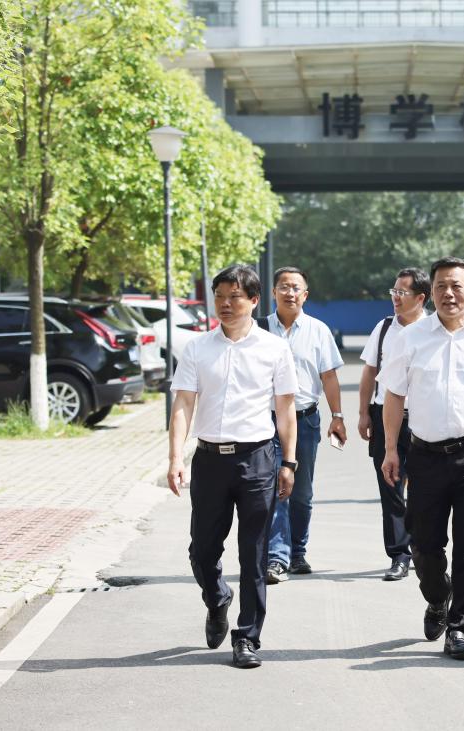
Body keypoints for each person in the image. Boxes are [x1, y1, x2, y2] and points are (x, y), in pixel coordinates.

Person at [378, 256, 464, 662]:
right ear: (431, 293)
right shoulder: (410, 338)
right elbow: (394, 397)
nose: (449, 293)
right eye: (441, 286)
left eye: (456, 286)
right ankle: (438, 597)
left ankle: (460, 629)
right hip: (425, 455)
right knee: (424, 546)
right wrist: (391, 448)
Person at [167, 264, 299, 669]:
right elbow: (183, 403)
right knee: (202, 550)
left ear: (254, 301)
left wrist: (288, 462)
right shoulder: (197, 348)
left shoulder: (274, 349)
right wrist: (175, 457)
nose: (225, 304)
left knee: (253, 554)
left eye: (235, 297)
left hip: (257, 460)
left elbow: (285, 409)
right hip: (209, 460)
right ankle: (217, 598)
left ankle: (247, 638)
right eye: (220, 297)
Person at [260, 266, 345, 581]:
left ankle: (297, 553)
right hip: (267, 421)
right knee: (274, 487)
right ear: (274, 292)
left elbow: (329, 377)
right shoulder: (259, 329)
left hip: (305, 420)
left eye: (296, 287)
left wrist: (338, 416)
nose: (290, 292)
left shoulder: (318, 330)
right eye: (284, 286)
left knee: (301, 491)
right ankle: (277, 557)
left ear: (305, 295)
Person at [357, 267, 430, 581]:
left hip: (423, 419)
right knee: (390, 487)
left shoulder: (432, 330)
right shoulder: (384, 327)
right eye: (394, 292)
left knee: (424, 490)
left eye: (402, 293)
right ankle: (399, 554)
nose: (396, 298)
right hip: (385, 416)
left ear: (420, 298)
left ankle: (423, 549)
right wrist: (363, 413)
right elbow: (369, 372)